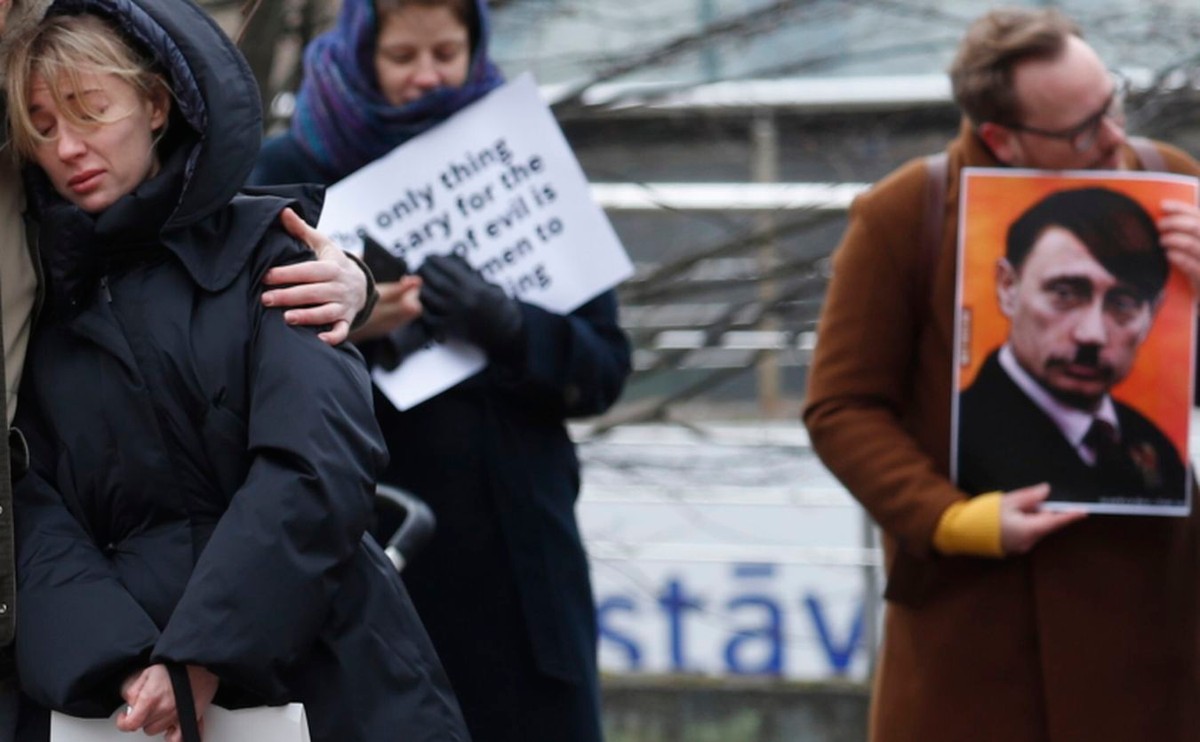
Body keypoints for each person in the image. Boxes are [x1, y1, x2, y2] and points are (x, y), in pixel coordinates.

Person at [3, 2, 471, 741]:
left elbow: (317, 460)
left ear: (156, 105)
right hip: (116, 706)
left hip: (325, 675)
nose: (67, 147)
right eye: (42, 128)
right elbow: (25, 506)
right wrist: (117, 663)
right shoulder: (35, 297)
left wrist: (206, 651)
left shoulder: (269, 252)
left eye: (90, 111)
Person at [803, 8, 1200, 742]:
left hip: (1150, 635)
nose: (1114, 137)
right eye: (1082, 130)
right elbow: (842, 407)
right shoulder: (905, 214)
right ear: (1001, 138)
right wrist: (950, 519)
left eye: (1112, 102)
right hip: (974, 637)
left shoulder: (1172, 182)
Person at [250, 1, 632, 740]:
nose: (427, 76)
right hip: (371, 561)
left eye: (446, 53)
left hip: (523, 575)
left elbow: (604, 367)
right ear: (361, 52)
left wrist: (511, 324)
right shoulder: (290, 174)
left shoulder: (521, 154)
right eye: (403, 57)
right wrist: (358, 325)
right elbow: (240, 365)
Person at [958, 186, 1187, 505]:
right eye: (1064, 294)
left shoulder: (1154, 446)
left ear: (1154, 312)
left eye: (1123, 303)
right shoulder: (957, 433)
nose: (1092, 335)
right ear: (1008, 287)